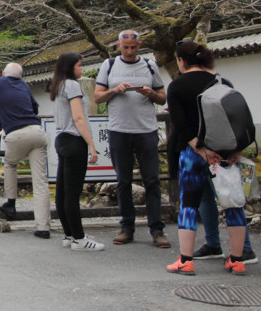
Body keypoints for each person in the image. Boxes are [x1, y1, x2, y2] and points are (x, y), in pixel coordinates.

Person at [165, 40, 248, 275]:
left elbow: (179, 123)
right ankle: (237, 260)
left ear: (181, 60)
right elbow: (237, 118)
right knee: (232, 204)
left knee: (189, 206)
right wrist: (236, 149)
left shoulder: (178, 86)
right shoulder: (222, 81)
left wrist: (199, 148)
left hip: (192, 155)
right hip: (224, 154)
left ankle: (185, 260)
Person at [94, 30, 169, 248]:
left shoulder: (149, 65)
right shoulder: (109, 65)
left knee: (152, 181)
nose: (129, 51)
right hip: (119, 129)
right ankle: (127, 227)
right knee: (123, 182)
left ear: (139, 46)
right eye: (125, 47)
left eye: (133, 47)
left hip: (146, 129)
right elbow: (98, 96)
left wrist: (151, 94)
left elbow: (162, 96)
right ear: (119, 45)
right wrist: (115, 90)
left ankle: (157, 229)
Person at [0, 62, 51, 239]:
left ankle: (11, 202)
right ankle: (43, 227)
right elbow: (35, 107)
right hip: (37, 132)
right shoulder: (24, 85)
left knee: (10, 164)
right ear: (21, 76)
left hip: (16, 134)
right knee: (40, 182)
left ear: (3, 74)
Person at [50, 53, 104, 251]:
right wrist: (91, 144)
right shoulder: (72, 85)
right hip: (74, 140)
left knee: (63, 191)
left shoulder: (59, 84)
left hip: (61, 139)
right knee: (72, 193)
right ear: (70, 67)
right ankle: (79, 239)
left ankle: (69, 234)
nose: (81, 69)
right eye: (79, 66)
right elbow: (79, 118)